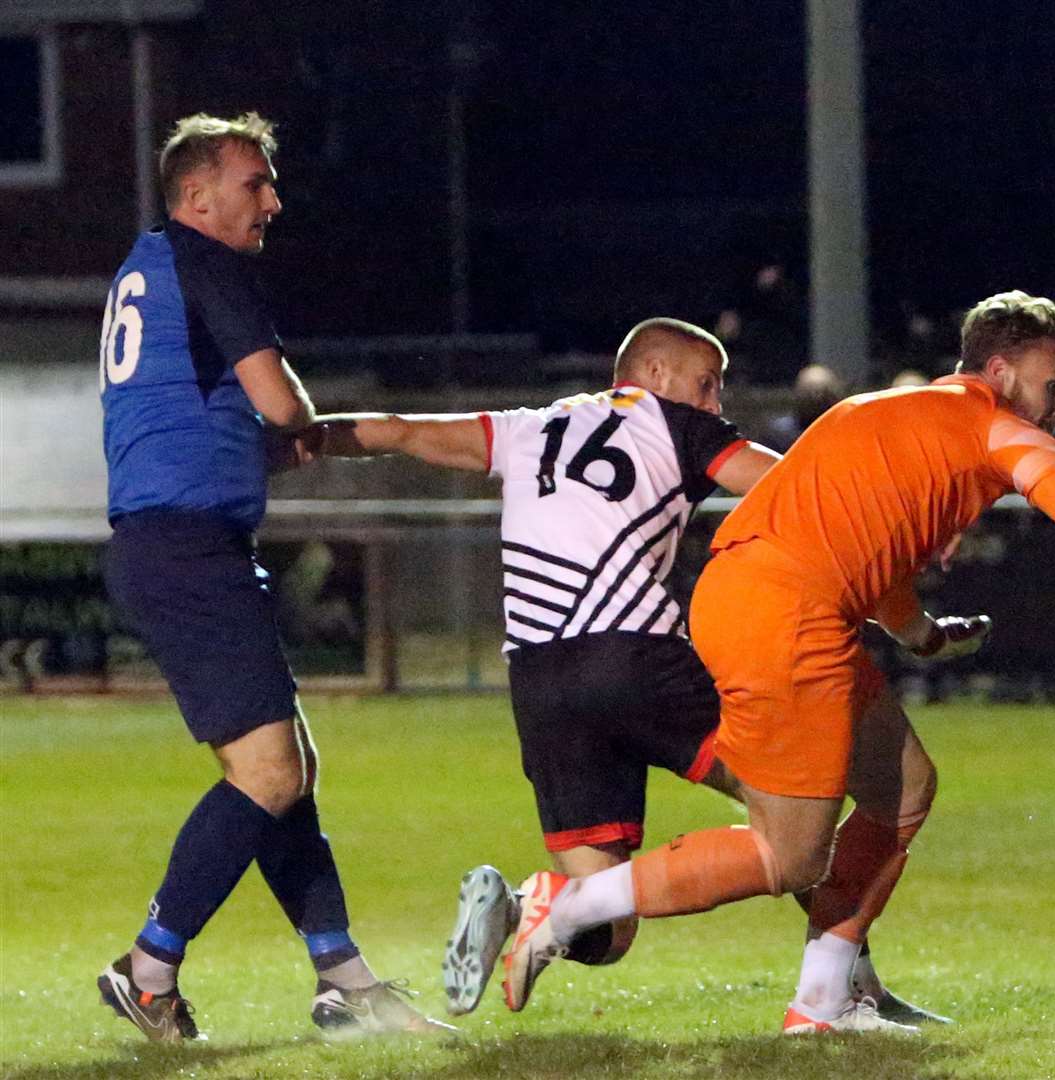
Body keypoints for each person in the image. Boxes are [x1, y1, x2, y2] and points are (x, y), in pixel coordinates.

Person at [497, 290, 1055, 1035]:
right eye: (1054, 386)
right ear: (1001, 373)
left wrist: (920, 635)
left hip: (764, 598)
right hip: (785, 615)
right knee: (789, 851)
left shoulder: (883, 412)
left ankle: (823, 1000)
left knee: (903, 786)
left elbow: (852, 547)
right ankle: (563, 909)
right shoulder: (993, 427)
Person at [310, 318, 957, 1024]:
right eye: (707, 382)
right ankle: (842, 989)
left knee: (610, 927)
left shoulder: (528, 428)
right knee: (795, 814)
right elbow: (800, 493)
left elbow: (396, 430)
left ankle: (529, 906)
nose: (716, 403)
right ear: (652, 374)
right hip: (637, 658)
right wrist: (910, 543)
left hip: (540, 683)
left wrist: (298, 438)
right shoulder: (679, 426)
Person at [95, 112, 451, 1042]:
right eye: (255, 183)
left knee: (287, 770)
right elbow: (279, 400)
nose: (272, 201)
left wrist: (297, 445)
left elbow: (203, 423)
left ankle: (344, 977)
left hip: (171, 541)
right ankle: (150, 966)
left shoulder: (146, 267)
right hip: (187, 549)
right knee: (269, 771)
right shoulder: (204, 261)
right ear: (197, 193)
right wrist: (309, 424)